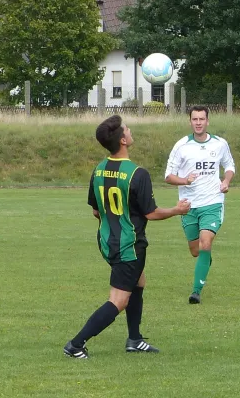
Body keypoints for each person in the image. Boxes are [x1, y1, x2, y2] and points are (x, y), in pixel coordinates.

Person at [64, 115, 190, 359]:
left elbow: (95, 210)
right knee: (118, 300)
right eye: (128, 129)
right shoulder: (137, 173)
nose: (131, 131)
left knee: (138, 283)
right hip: (129, 246)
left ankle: (134, 339)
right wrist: (177, 210)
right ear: (123, 140)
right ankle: (75, 345)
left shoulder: (98, 170)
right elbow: (151, 213)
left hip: (107, 241)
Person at [164, 105, 236, 304]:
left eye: (201, 119)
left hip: (213, 201)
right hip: (188, 205)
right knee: (196, 250)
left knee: (206, 242)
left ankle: (196, 292)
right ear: (190, 122)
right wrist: (185, 181)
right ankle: (205, 260)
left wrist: (226, 182)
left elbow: (229, 166)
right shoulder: (181, 146)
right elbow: (168, 177)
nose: (198, 123)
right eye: (194, 119)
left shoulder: (220, 144)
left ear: (207, 121)